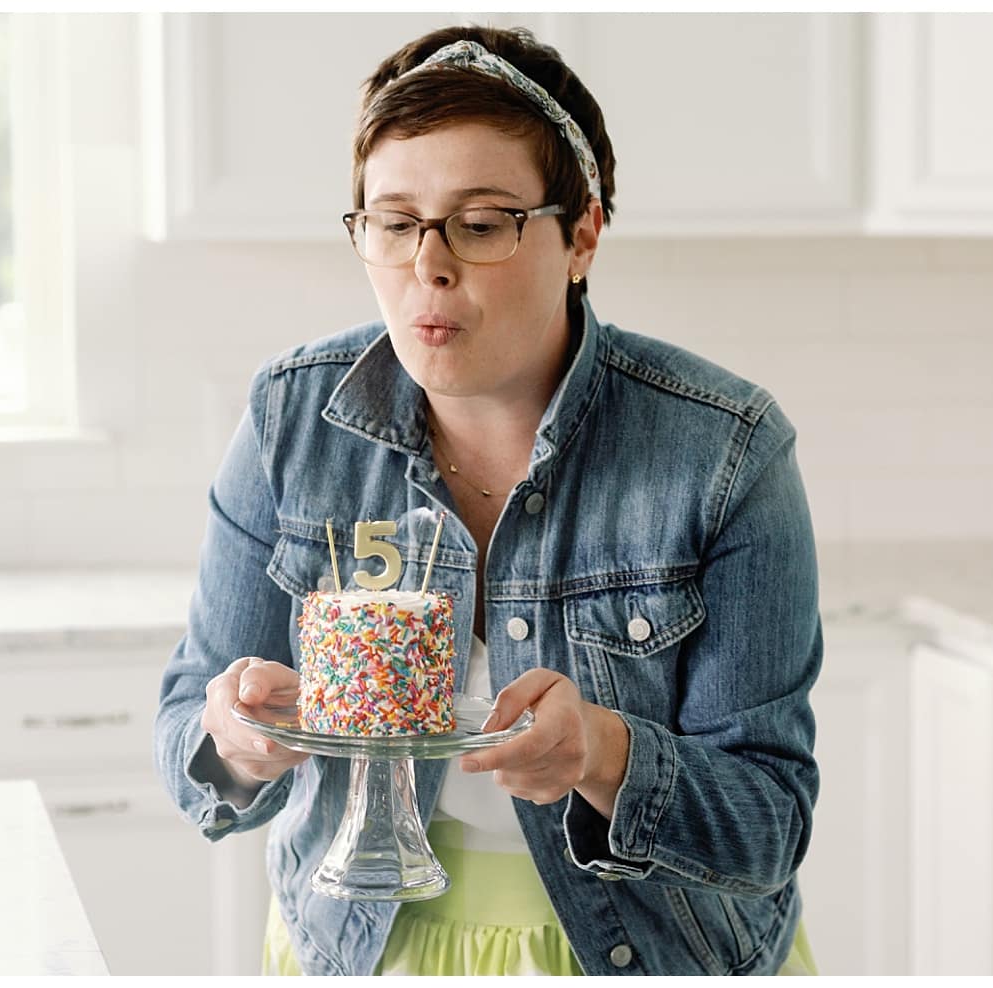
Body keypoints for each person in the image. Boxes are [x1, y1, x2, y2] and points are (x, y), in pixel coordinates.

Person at [153, 25, 822, 976]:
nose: (429, 266)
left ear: (581, 232)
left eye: (481, 223)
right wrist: (234, 746)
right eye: (393, 222)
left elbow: (768, 823)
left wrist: (602, 752)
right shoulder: (287, 421)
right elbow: (190, 736)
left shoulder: (722, 450)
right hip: (355, 948)